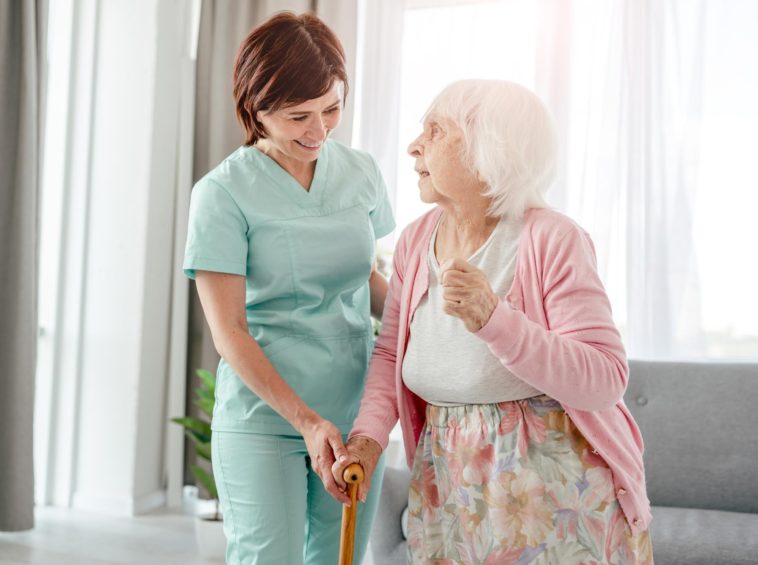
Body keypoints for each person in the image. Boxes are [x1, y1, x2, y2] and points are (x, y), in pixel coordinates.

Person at [333, 79, 654, 564]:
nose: (414, 145)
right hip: (444, 476)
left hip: (551, 491)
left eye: (436, 131)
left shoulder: (553, 238)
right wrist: (367, 440)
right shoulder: (416, 240)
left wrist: (494, 319)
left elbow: (605, 379)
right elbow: (389, 352)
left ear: (489, 148)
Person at [183, 12, 394, 565]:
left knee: (336, 559)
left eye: (332, 108)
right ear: (256, 109)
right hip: (265, 418)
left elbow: (367, 281)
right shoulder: (222, 194)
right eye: (299, 115)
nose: (319, 131)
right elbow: (229, 332)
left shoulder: (361, 171)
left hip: (354, 418)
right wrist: (305, 421)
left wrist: (433, 319)